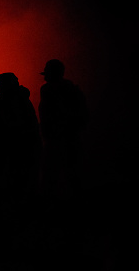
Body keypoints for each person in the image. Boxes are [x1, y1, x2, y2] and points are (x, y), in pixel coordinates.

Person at [38, 59, 88, 199]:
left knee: (52, 177)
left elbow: (49, 116)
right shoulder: (72, 90)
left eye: (47, 73)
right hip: (68, 138)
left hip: (58, 140)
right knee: (72, 175)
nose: (45, 77)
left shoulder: (49, 90)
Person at [0, 72, 42, 192]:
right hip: (23, 149)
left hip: (15, 150)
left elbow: (0, 127)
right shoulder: (22, 100)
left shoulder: (17, 103)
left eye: (0, 88)